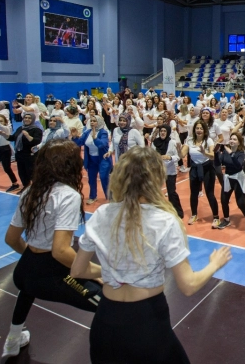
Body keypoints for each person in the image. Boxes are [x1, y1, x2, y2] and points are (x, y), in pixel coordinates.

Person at [71, 146, 232, 364]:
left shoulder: (101, 214)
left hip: (105, 321)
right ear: (156, 179)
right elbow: (188, 285)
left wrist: (115, 273)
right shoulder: (164, 221)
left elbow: (78, 270)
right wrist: (214, 264)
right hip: (147, 321)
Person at [1, 139, 103, 358]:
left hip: (24, 271)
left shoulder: (30, 191)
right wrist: (97, 271)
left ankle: (13, 339)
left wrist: (33, 258)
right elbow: (60, 251)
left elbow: (11, 238)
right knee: (110, 303)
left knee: (27, 291)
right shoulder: (68, 196)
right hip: (51, 275)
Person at [181, 120, 220, 227]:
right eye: (197, 128)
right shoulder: (189, 140)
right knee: (193, 193)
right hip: (194, 168)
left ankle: (216, 217)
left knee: (210, 193)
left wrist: (204, 152)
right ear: (194, 130)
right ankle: (194, 214)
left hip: (207, 168)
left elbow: (212, 156)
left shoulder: (209, 140)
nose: (199, 130)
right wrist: (178, 149)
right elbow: (182, 155)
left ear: (204, 130)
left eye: (201, 128)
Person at [72, 115, 112, 205]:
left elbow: (102, 144)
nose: (92, 122)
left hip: (103, 159)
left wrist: (95, 138)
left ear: (99, 122)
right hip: (91, 160)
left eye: (94, 121)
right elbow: (80, 143)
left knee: (104, 178)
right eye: (91, 121)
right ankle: (93, 196)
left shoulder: (103, 133)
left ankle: (110, 197)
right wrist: (75, 137)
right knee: (91, 179)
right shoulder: (87, 132)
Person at [217, 132, 245, 233]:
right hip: (228, 177)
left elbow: (238, 166)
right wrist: (216, 153)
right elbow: (218, 163)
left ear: (239, 142)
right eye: (231, 139)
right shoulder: (225, 151)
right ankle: (226, 219)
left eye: (234, 139)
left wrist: (231, 154)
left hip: (237, 178)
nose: (232, 141)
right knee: (224, 200)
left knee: (240, 203)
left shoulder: (241, 153)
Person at [151, 124, 184, 219]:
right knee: (155, 192)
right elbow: (151, 155)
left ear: (168, 132)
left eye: (164, 131)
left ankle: (177, 212)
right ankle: (156, 212)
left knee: (171, 192)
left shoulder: (172, 143)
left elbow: (178, 156)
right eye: (161, 131)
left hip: (170, 171)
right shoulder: (155, 142)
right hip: (158, 171)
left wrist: (169, 157)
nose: (162, 133)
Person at [8, 113, 43, 189]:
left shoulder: (36, 130)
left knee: (31, 173)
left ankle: (36, 189)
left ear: (33, 119)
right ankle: (26, 187)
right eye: (25, 117)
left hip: (29, 156)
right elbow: (13, 137)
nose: (27, 119)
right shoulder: (20, 128)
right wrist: (4, 135)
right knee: (22, 173)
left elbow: (37, 141)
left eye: (29, 118)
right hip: (20, 154)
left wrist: (27, 135)